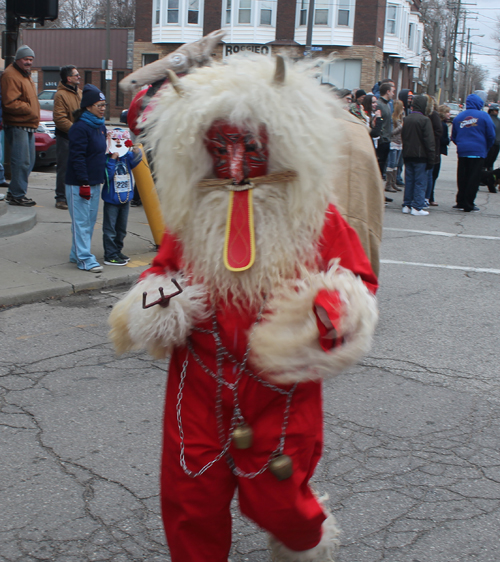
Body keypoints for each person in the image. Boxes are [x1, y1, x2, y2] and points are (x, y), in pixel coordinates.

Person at [109, 53, 379, 562]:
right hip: (199, 385)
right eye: (220, 147)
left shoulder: (314, 216)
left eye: (248, 146)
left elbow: (357, 279)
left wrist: (329, 307)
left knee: (281, 504)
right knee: (191, 500)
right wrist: (159, 302)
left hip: (279, 390)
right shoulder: (193, 219)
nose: (234, 166)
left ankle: (305, 544)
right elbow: (160, 271)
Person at [65, 84, 107, 273]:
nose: (103, 108)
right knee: (81, 222)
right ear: (88, 106)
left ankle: (77, 253)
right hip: (79, 183)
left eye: (104, 104)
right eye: (100, 105)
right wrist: (83, 182)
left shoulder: (100, 126)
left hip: (95, 181)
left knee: (89, 222)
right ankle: (84, 259)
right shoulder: (80, 128)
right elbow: (77, 157)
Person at [1, 45, 39, 206]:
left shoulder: (24, 75)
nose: (29, 62)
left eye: (31, 59)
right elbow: (10, 102)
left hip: (27, 123)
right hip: (18, 124)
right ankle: (17, 194)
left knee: (28, 162)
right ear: (18, 59)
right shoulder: (11, 75)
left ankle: (15, 192)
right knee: (21, 161)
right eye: (26, 59)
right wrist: (30, 110)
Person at [102, 129, 142, 265]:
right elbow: (107, 175)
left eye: (121, 140)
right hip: (112, 200)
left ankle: (117, 251)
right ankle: (110, 254)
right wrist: (112, 159)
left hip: (125, 198)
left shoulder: (127, 158)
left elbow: (137, 159)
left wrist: (135, 149)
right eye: (115, 140)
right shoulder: (107, 158)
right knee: (110, 229)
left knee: (121, 229)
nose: (118, 142)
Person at [451, 93, 496, 212]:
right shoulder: (484, 116)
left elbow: (454, 136)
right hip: (478, 151)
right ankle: (468, 203)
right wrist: (486, 147)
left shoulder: (459, 117)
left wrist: (460, 144)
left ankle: (460, 200)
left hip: (463, 151)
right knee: (473, 178)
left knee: (462, 177)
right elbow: (491, 135)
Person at [53, 65, 82, 210]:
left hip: (78, 137)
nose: (79, 77)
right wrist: (76, 130)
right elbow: (59, 119)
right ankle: (61, 198)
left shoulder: (80, 93)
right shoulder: (60, 95)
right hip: (65, 137)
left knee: (77, 167)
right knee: (64, 167)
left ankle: (73, 196)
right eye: (76, 75)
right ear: (68, 78)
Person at [401, 94, 435, 216]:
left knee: (409, 180)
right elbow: (429, 141)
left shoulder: (407, 119)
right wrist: (431, 158)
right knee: (420, 182)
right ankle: (417, 206)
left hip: (408, 154)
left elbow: (404, 137)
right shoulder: (425, 120)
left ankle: (407, 204)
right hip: (421, 156)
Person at [430, 104, 451, 205]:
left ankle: (429, 196)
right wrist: (448, 140)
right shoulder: (442, 125)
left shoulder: (439, 123)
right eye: (447, 112)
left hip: (436, 151)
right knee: (433, 175)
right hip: (437, 152)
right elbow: (443, 140)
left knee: (432, 175)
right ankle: (430, 197)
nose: (449, 114)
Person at [424, 97, 443, 207]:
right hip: (426, 148)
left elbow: (438, 131)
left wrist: (430, 139)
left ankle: (429, 196)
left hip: (433, 148)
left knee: (430, 174)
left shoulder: (433, 115)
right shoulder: (424, 115)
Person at [385, 99, 404, 193]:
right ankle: (388, 184)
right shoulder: (393, 119)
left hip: (400, 143)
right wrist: (401, 126)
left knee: (396, 164)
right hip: (393, 143)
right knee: (391, 164)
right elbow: (392, 132)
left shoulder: (400, 118)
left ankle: (393, 183)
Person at [376, 82, 395, 175]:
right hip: (382, 140)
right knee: (379, 165)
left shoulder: (387, 104)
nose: (393, 94)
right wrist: (382, 136)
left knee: (383, 165)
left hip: (387, 138)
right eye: (392, 91)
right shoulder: (379, 104)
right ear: (388, 92)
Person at [484, 104, 500, 171]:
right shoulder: (491, 119)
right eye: (496, 111)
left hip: (493, 143)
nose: (497, 112)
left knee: (488, 162)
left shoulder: (488, 119)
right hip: (494, 144)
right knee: (489, 163)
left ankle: (486, 175)